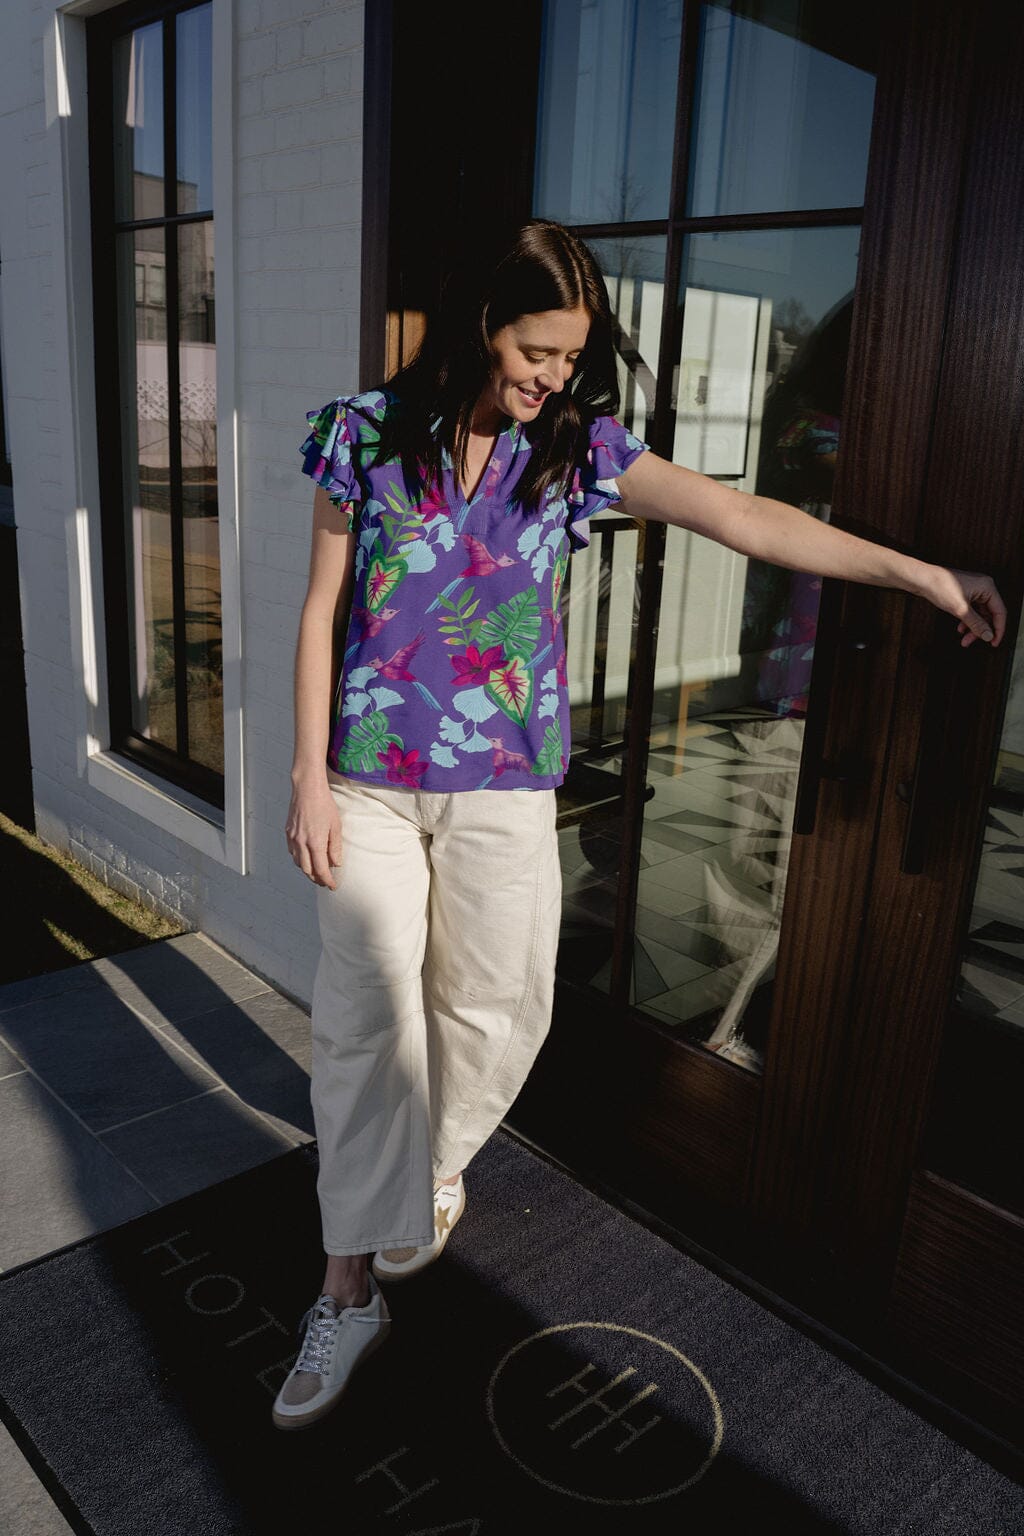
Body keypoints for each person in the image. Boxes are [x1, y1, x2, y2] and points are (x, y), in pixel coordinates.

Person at [274, 218, 1006, 1431]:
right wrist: (304, 774)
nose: (554, 375)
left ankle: (428, 1171)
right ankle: (347, 1287)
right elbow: (319, 609)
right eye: (538, 349)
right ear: (481, 325)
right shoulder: (362, 436)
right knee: (367, 1017)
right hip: (366, 782)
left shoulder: (575, 452)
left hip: (502, 781)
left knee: (503, 999)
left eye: (571, 356)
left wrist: (917, 574)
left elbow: (747, 520)